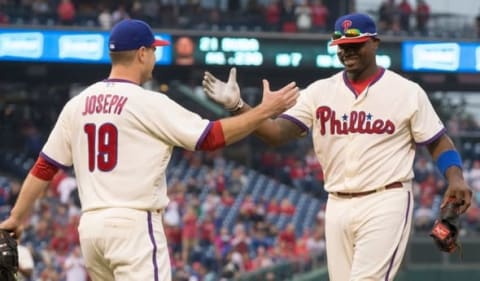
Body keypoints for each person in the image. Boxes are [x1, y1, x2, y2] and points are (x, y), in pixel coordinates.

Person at [0, 19, 299, 281]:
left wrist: (17, 217)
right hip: (133, 226)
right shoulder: (147, 102)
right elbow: (210, 138)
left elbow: (44, 166)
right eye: (154, 50)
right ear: (142, 53)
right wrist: (263, 111)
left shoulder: (78, 104)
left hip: (91, 228)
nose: (155, 57)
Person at [202, 12, 472, 281]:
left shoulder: (406, 92)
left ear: (375, 43)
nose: (347, 52)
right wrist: (238, 106)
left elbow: (437, 141)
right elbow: (275, 133)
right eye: (342, 47)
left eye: (355, 45)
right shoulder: (319, 92)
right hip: (336, 204)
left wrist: (455, 176)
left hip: (386, 199)